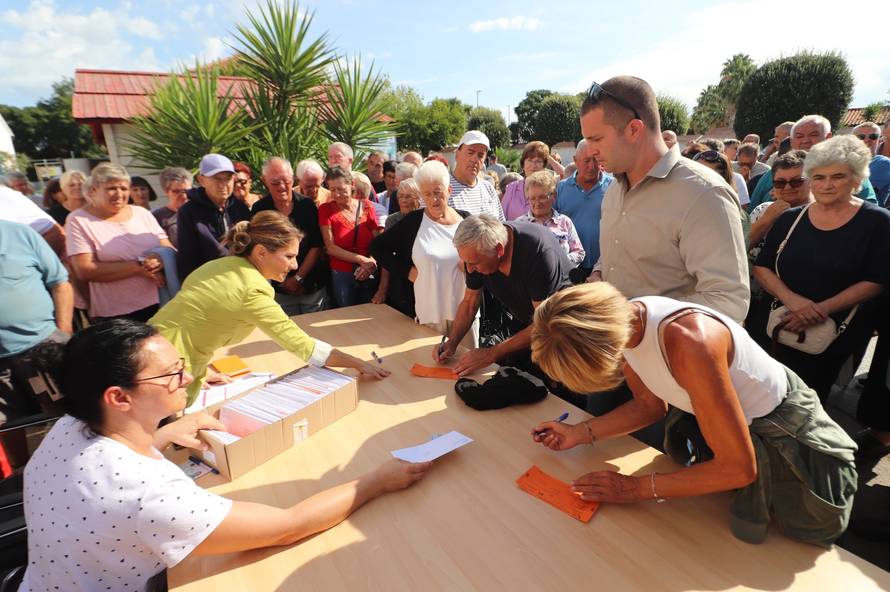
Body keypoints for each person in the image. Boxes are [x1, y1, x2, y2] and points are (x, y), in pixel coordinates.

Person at [21, 320, 430, 591]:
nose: (187, 377)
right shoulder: (146, 494)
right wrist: (376, 480)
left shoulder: (68, 426)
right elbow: (288, 525)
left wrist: (161, 435)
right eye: (171, 374)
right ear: (118, 397)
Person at [529, 282, 857, 548]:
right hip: (737, 429)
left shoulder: (690, 343)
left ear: (604, 349)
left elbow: (738, 468)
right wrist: (578, 433)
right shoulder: (624, 322)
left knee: (791, 539)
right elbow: (650, 406)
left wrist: (636, 489)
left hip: (784, 432)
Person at [151, 210, 389, 405]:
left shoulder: (220, 265)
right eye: (289, 256)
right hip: (168, 374)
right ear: (261, 252)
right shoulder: (253, 290)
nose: (295, 265)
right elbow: (304, 346)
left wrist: (201, 369)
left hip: (151, 351)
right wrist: (358, 363)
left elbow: (194, 322)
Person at [583, 76, 749, 323]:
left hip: (672, 358)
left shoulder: (703, 193)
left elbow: (727, 301)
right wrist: (599, 274)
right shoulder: (615, 190)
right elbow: (617, 250)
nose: (590, 151)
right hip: (620, 352)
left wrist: (636, 317)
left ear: (634, 129)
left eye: (596, 139)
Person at [753, 135, 890, 402]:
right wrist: (794, 303)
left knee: (811, 399)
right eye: (818, 177)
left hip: (835, 331)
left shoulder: (878, 222)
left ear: (856, 178)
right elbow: (763, 266)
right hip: (779, 323)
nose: (826, 184)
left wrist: (820, 310)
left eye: (837, 176)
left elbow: (877, 279)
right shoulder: (791, 218)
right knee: (766, 393)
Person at [433, 213, 572, 376]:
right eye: (466, 262)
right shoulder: (477, 252)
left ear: (499, 250)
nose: (469, 270)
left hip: (563, 333)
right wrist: (452, 342)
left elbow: (545, 323)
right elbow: (470, 302)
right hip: (526, 322)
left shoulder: (537, 251)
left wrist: (491, 353)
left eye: (474, 264)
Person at [371, 160, 474, 338]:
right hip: (430, 315)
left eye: (437, 192)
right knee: (431, 364)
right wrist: (406, 271)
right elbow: (377, 247)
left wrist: (472, 265)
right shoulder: (413, 222)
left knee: (467, 364)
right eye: (427, 194)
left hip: (466, 313)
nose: (433, 199)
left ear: (449, 191)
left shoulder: (467, 221)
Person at [0, 219, 72, 468]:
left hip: (42, 347)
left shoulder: (18, 233)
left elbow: (61, 283)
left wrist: (62, 334)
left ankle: (81, 468)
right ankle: (22, 478)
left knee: (71, 414)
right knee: (8, 425)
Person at [66, 163, 172, 323]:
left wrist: (158, 258)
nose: (119, 194)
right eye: (111, 188)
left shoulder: (142, 213)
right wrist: (139, 267)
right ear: (93, 190)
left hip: (162, 302)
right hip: (116, 314)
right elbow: (84, 270)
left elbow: (168, 248)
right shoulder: (78, 220)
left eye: (124, 188)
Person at [744, 150, 812, 349]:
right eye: (780, 183)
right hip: (756, 299)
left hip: (802, 303)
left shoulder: (821, 215)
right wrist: (767, 219)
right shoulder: (764, 210)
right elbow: (741, 246)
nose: (788, 187)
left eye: (797, 181)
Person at [748, 115, 878, 211]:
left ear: (828, 138)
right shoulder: (771, 175)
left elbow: (868, 213)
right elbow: (751, 215)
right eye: (799, 136)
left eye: (813, 134)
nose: (806, 140)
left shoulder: (849, 172)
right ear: (792, 142)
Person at [251, 157, 328, 315]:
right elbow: (260, 251)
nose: (281, 187)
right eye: (275, 182)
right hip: (278, 288)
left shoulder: (307, 205)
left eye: (286, 181)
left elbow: (316, 245)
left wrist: (297, 278)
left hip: (312, 286)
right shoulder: (260, 209)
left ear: (293, 179)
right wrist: (284, 281)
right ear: (264, 180)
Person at [176, 153, 251, 281]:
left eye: (227, 178)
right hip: (206, 281)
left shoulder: (240, 208)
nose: (223, 184)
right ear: (201, 180)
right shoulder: (189, 212)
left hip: (241, 278)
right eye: (217, 178)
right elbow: (188, 258)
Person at [318, 166, 382, 307]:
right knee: (345, 313)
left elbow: (378, 242)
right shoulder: (325, 210)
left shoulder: (366, 206)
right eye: (332, 190)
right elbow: (330, 247)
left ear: (352, 184)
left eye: (341, 189)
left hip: (369, 270)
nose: (337, 194)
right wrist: (361, 260)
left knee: (370, 312)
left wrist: (370, 262)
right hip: (342, 272)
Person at [555, 139, 613, 281]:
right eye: (586, 161)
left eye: (596, 160)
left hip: (604, 266)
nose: (592, 166)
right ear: (575, 160)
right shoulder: (560, 189)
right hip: (570, 267)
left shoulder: (614, 187)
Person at [516, 171, 585, 267]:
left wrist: (559, 262)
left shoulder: (564, 222)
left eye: (542, 197)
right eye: (532, 198)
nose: (537, 202)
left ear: (554, 196)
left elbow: (579, 252)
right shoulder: (519, 225)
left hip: (563, 279)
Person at [448, 130, 505, 220]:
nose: (475, 159)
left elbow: (501, 226)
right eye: (470, 153)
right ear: (457, 154)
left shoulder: (489, 189)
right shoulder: (442, 188)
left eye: (480, 155)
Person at [0, 185, 67, 258]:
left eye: (23, 184)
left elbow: (56, 234)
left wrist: (26, 261)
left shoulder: (6, 196)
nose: (22, 187)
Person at [500, 141, 550, 221]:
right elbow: (501, 217)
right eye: (530, 160)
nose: (534, 165)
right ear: (523, 164)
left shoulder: (550, 191)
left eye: (538, 161)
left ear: (544, 166)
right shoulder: (511, 188)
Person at [152, 166, 193, 249]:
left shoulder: (200, 211)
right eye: (177, 192)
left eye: (187, 191)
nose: (184, 196)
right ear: (166, 191)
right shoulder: (157, 217)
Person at [854, 121, 890, 206]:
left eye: (873, 136)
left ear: (879, 139)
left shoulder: (883, 163)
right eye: (861, 137)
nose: (867, 140)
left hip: (869, 217)